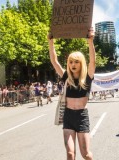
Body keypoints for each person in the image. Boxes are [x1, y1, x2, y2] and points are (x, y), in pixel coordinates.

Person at [48, 28, 95, 160]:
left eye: (76, 61)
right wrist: (50, 42)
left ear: (81, 63)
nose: (73, 64)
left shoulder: (87, 77)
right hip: (68, 116)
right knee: (70, 154)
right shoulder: (66, 77)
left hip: (81, 116)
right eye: (70, 61)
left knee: (86, 154)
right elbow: (54, 61)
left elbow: (93, 62)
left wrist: (90, 42)